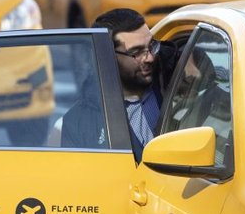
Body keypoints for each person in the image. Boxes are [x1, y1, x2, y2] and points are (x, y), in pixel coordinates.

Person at [61, 8, 177, 160]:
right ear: (107, 57)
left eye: (151, 46)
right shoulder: (78, 123)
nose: (149, 58)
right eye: (136, 52)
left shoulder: (173, 75)